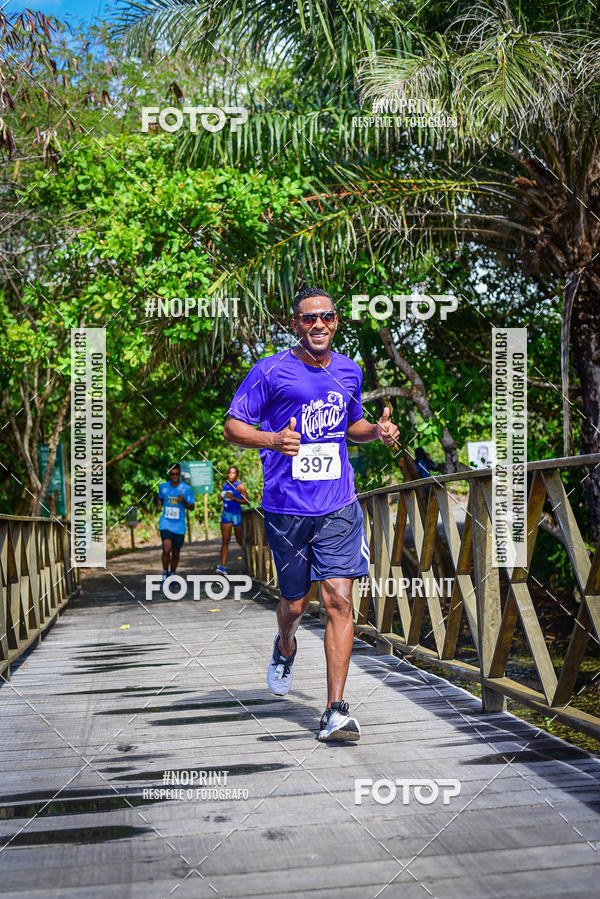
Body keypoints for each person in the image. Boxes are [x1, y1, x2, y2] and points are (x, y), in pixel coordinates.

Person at [223, 286, 399, 742]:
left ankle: (335, 711)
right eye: (308, 318)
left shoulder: (349, 370)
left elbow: (352, 426)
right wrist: (272, 440)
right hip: (286, 508)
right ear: (295, 324)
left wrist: (377, 431)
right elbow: (232, 427)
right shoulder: (270, 370)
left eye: (327, 316)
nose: (318, 324)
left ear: (336, 321)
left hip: (338, 503)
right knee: (295, 605)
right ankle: (285, 646)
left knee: (339, 601)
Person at [157, 463, 195, 582]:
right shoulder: (163, 487)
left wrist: (183, 501)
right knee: (166, 549)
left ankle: (172, 574)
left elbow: (192, 507)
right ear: (169, 474)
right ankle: (165, 573)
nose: (174, 476)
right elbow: (159, 497)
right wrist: (159, 505)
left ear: (180, 474)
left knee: (175, 552)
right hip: (165, 523)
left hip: (179, 526)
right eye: (172, 474)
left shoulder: (186, 489)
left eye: (177, 474)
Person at [217, 465, 250, 574]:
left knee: (239, 540)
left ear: (237, 475)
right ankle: (222, 567)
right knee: (225, 540)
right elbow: (222, 499)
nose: (231, 475)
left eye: (233, 473)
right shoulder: (225, 485)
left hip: (236, 514)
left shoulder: (239, 486)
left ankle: (249, 564)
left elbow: (247, 501)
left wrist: (234, 498)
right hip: (226, 514)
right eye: (229, 473)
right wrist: (220, 497)